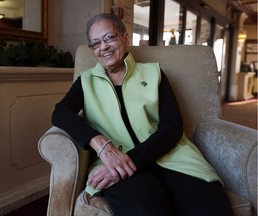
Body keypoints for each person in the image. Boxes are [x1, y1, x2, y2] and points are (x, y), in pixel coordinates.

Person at [52, 13, 233, 216]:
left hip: (172, 156)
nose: (103, 47)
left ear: (125, 38)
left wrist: (134, 158)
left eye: (109, 37)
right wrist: (101, 145)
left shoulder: (153, 73)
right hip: (117, 165)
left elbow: (172, 126)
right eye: (95, 43)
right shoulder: (86, 82)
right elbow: (60, 113)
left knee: (211, 210)